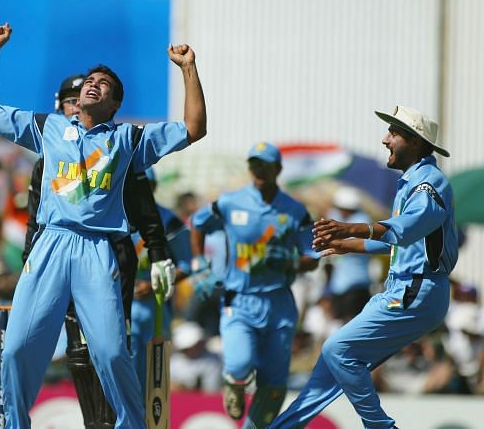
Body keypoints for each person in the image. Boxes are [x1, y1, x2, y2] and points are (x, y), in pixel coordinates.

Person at [0, 23, 206, 428]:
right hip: (50, 245)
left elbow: (193, 128)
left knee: (112, 351)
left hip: (97, 252)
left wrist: (188, 69)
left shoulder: (127, 140)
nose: (93, 85)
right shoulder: (50, 128)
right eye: (90, 81)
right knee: (15, 351)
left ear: (114, 104)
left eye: (104, 84)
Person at [270, 106, 458, 429]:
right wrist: (347, 245)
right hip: (409, 290)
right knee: (330, 369)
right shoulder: (414, 181)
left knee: (338, 349)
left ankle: (381, 427)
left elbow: (405, 229)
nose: (385, 139)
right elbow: (399, 240)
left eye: (393, 133)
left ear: (413, 142)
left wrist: (350, 229)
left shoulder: (429, 184)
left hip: (417, 292)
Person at [23, 75, 172, 427]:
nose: (75, 105)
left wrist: (159, 252)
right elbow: (34, 221)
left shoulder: (116, 148)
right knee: (76, 349)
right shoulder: (48, 154)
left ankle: (111, 422)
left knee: (105, 350)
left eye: (80, 98)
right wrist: (31, 261)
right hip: (55, 257)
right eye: (69, 101)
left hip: (109, 256)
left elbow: (145, 209)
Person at [189, 142, 319, 428]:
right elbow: (197, 223)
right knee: (238, 363)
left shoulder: (295, 210)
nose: (259, 170)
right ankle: (233, 383)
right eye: (254, 164)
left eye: (265, 164)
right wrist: (199, 263)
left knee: (273, 384)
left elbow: (313, 256)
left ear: (278, 169)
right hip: (240, 299)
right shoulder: (230, 202)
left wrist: (290, 262)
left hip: (279, 303)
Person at [130, 167, 192, 397]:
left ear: (154, 187)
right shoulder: (112, 217)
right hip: (117, 308)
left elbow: (187, 265)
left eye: (146, 186)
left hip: (155, 312)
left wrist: (155, 283)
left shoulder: (170, 222)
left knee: (151, 382)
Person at [324, 186, 373, 323]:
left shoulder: (362, 221)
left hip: (356, 283)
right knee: (340, 323)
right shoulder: (339, 217)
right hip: (339, 284)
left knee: (351, 321)